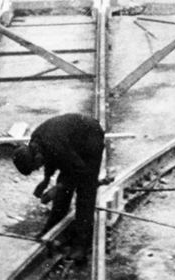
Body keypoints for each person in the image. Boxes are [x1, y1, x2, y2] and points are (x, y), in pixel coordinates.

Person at [12, 112, 105, 264]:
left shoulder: (54, 144)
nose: (38, 168)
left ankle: (82, 245)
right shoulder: (37, 141)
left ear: (35, 157)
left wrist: (57, 188)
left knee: (85, 192)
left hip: (90, 139)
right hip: (73, 143)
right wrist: (45, 180)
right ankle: (52, 227)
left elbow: (79, 169)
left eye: (36, 167)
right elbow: (50, 159)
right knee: (63, 190)